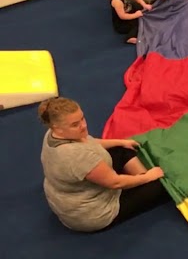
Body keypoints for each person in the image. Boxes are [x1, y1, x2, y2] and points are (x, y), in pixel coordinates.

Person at [38, 97, 167, 232]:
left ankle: (142, 182)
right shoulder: (77, 156)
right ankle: (145, 183)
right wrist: (147, 177)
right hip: (91, 214)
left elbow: (89, 142)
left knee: (123, 149)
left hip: (70, 194)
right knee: (161, 184)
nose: (83, 125)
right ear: (57, 128)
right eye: (75, 124)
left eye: (82, 118)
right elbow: (115, 183)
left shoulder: (53, 134)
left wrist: (121, 142)